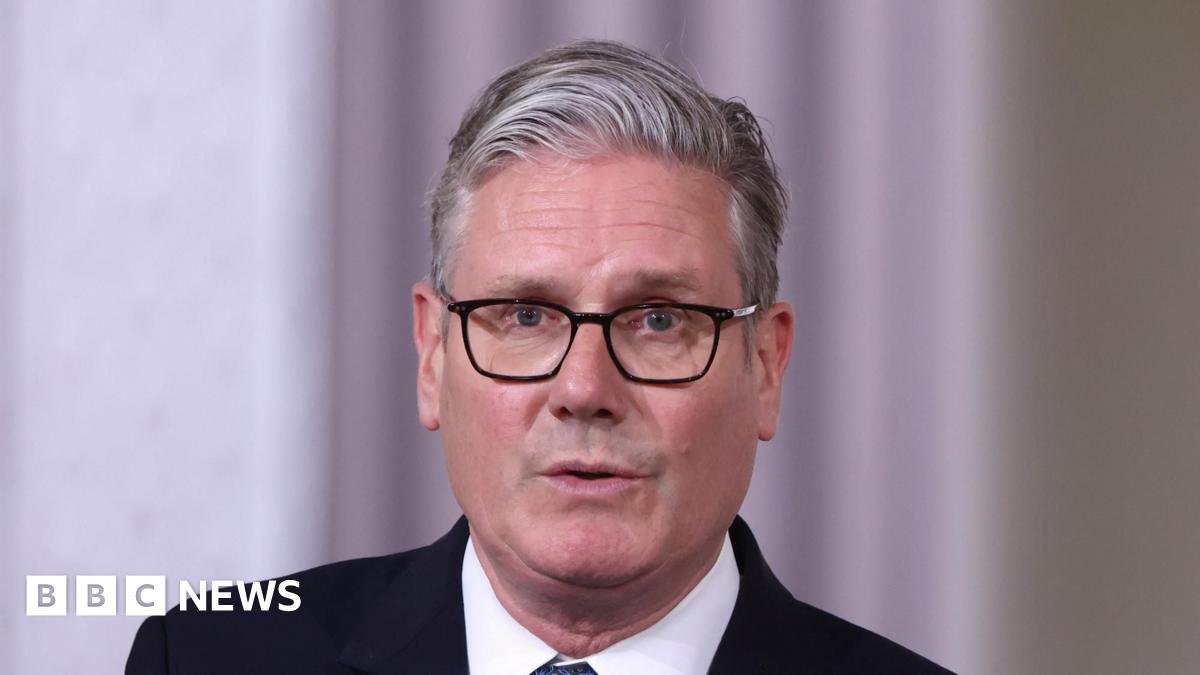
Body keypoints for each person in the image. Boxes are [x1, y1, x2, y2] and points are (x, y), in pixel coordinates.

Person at [127, 39, 950, 674]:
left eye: (658, 318)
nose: (584, 387)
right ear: (432, 354)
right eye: (524, 314)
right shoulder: (204, 660)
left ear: (765, 366)